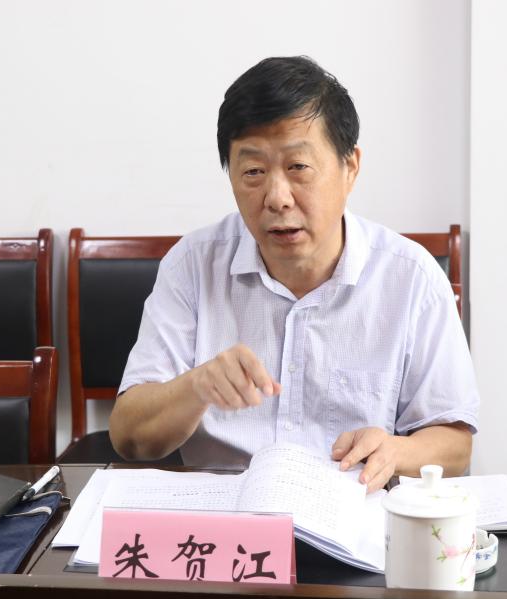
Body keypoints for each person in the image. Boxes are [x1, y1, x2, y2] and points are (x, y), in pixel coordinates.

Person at [109, 56, 479, 492]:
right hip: (224, 514)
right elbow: (128, 436)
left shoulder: (411, 277)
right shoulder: (192, 265)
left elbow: (455, 444)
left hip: (350, 510)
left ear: (350, 168)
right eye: (253, 172)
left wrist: (395, 451)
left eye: (298, 167)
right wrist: (196, 387)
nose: (277, 198)